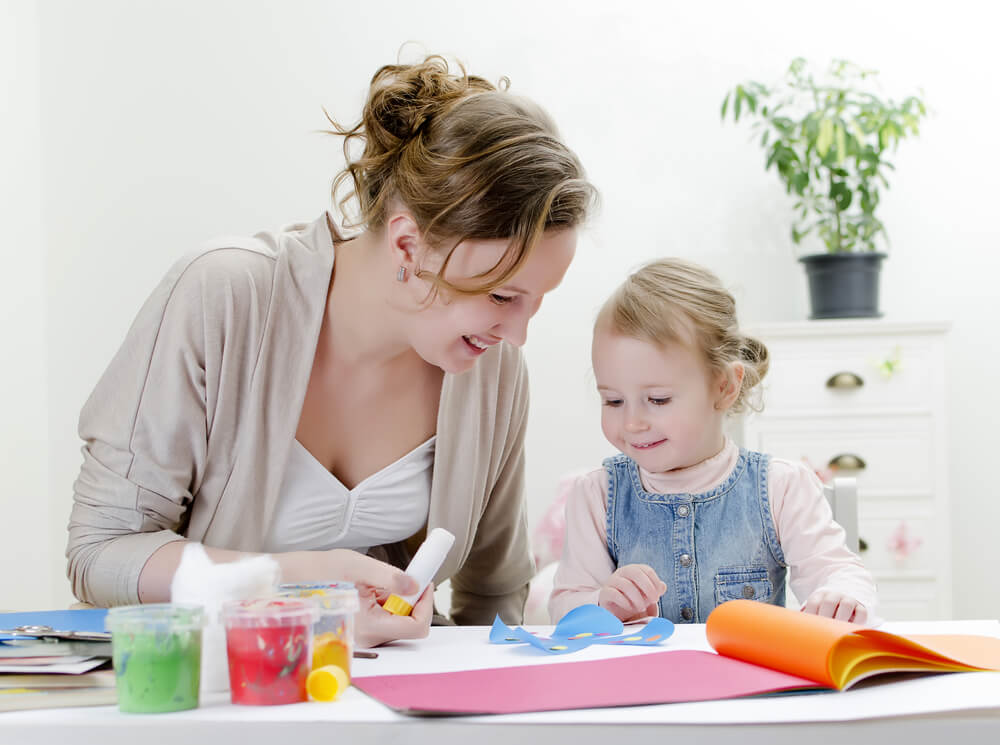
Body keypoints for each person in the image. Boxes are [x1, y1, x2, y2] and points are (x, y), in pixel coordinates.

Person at [66, 54, 596, 648]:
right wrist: (305, 583)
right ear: (406, 245)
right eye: (502, 295)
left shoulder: (490, 367)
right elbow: (100, 553)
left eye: (536, 300)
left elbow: (493, 596)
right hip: (207, 691)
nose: (518, 333)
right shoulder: (225, 298)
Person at [548, 259, 876, 625]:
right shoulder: (596, 495)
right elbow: (565, 605)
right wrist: (602, 603)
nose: (632, 422)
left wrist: (841, 596)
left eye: (657, 399)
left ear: (723, 387)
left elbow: (838, 571)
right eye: (613, 400)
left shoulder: (781, 487)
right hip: (639, 682)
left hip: (754, 682)